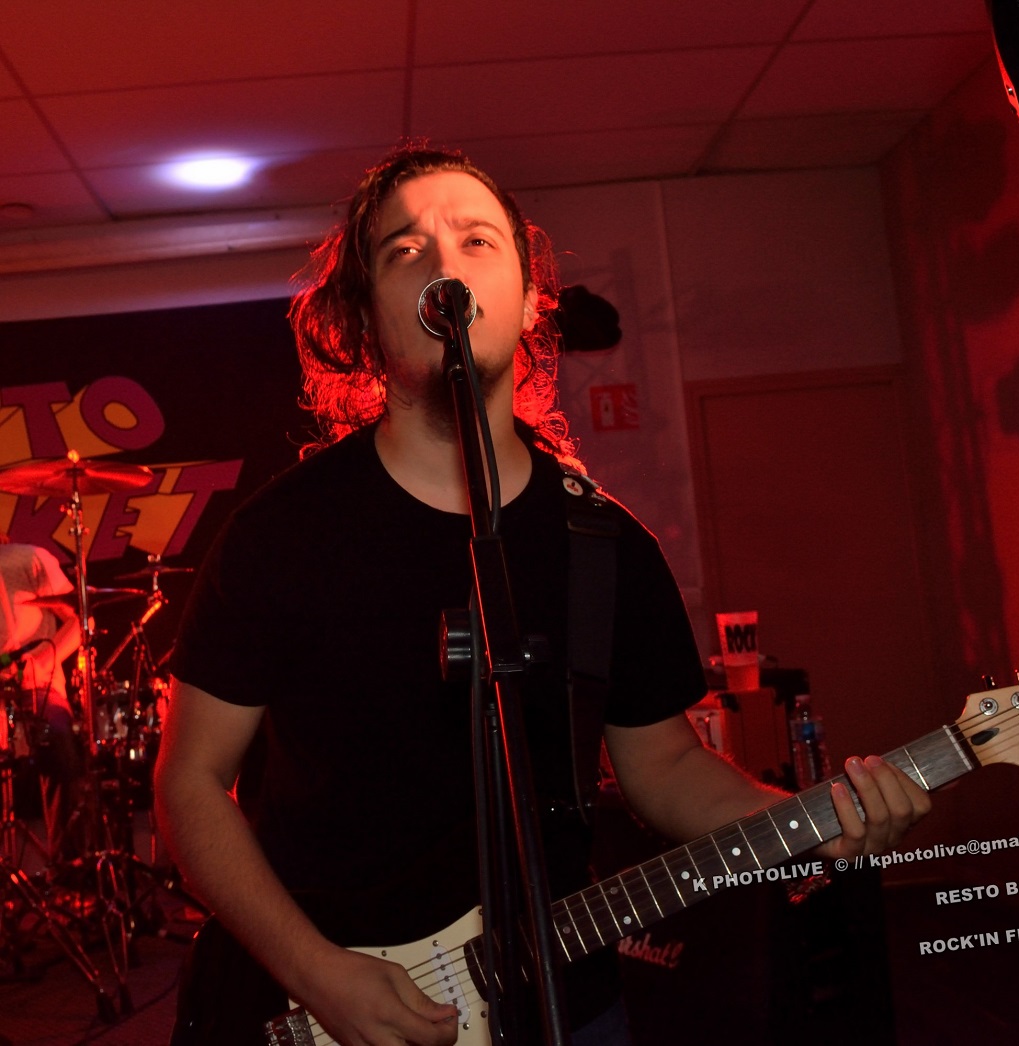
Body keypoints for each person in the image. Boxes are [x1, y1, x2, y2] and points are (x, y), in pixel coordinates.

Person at [154, 144, 932, 1046]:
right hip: (313, 999)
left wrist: (808, 821)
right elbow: (188, 782)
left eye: (476, 241)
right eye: (405, 250)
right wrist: (315, 972)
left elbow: (665, 770)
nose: (444, 265)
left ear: (530, 302)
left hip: (558, 998)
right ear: (366, 317)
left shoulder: (604, 547)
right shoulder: (280, 536)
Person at [0, 534, 82, 867]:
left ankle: (69, 870)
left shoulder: (30, 558)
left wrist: (43, 661)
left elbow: (80, 621)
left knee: (60, 752)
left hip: (37, 683)